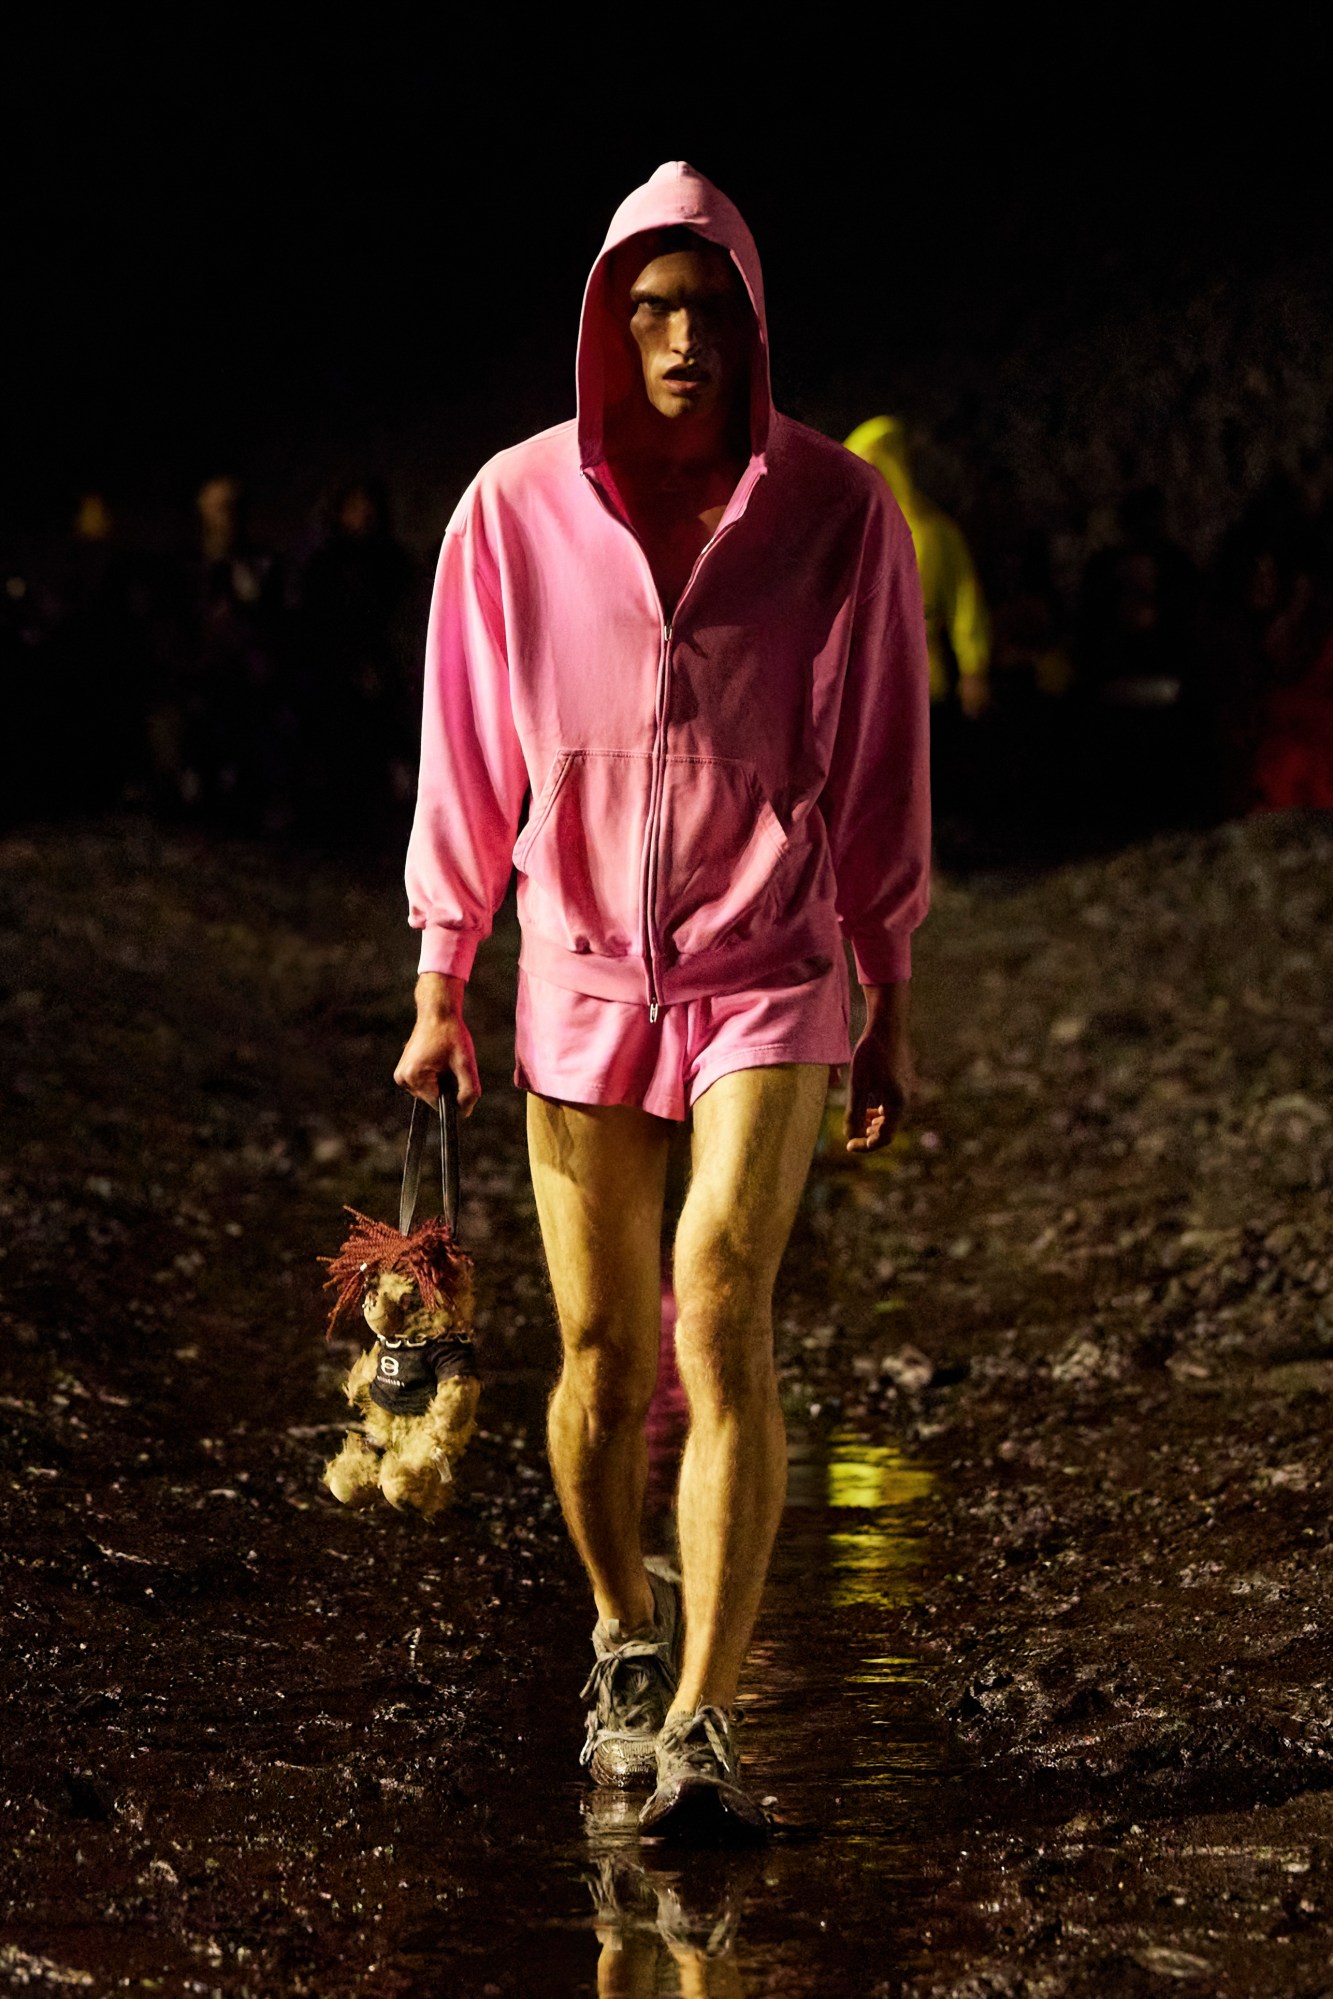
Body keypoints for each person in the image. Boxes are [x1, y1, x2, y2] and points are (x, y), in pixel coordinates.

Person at [395, 163, 930, 1842]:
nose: (681, 338)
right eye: (650, 311)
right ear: (606, 332)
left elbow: (881, 758)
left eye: (708, 309)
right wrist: (439, 976)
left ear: (751, 326)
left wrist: (886, 980)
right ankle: (624, 1635)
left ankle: (701, 1717)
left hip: (768, 965)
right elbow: (469, 757)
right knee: (600, 1352)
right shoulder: (511, 510)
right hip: (571, 978)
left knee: (719, 1302)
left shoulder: (839, 511)